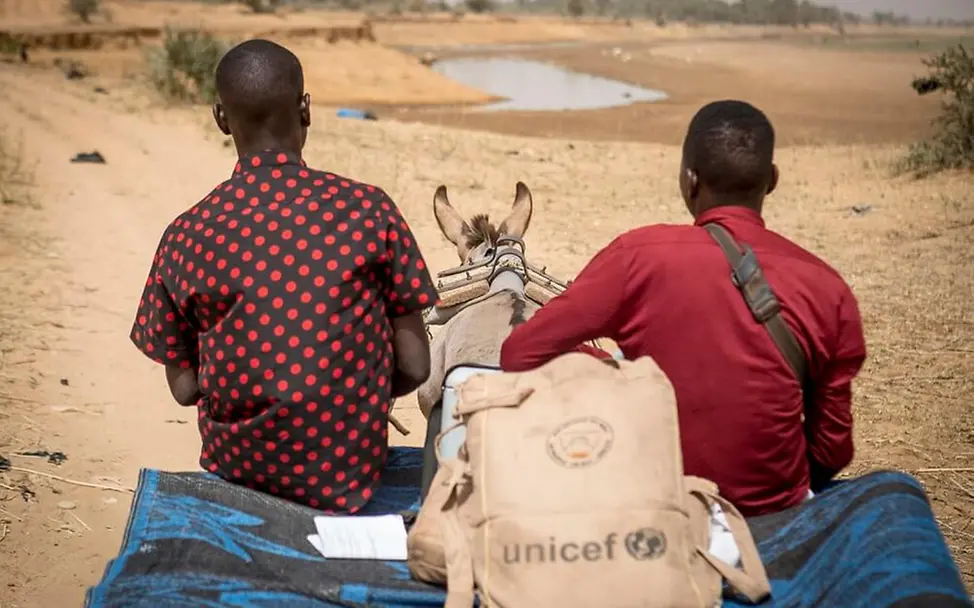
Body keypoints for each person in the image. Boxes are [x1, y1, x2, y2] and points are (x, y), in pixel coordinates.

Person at [500, 100, 867, 517]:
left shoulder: (638, 256)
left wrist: (605, 365)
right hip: (771, 513)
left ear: (689, 180)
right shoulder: (828, 287)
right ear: (772, 181)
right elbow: (832, 451)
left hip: (654, 503)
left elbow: (519, 353)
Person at [130, 39, 438, 514]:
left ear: (220, 119)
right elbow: (417, 367)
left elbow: (184, 388)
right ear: (306, 110)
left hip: (237, 468)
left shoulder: (186, 234)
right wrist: (357, 394)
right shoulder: (369, 210)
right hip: (352, 470)